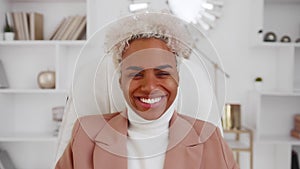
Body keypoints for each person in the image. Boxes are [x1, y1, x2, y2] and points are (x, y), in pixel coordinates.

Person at [55, 13, 239, 169]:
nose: (150, 87)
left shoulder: (208, 138)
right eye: (136, 73)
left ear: (178, 79)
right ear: (120, 81)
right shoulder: (86, 135)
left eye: (162, 73)